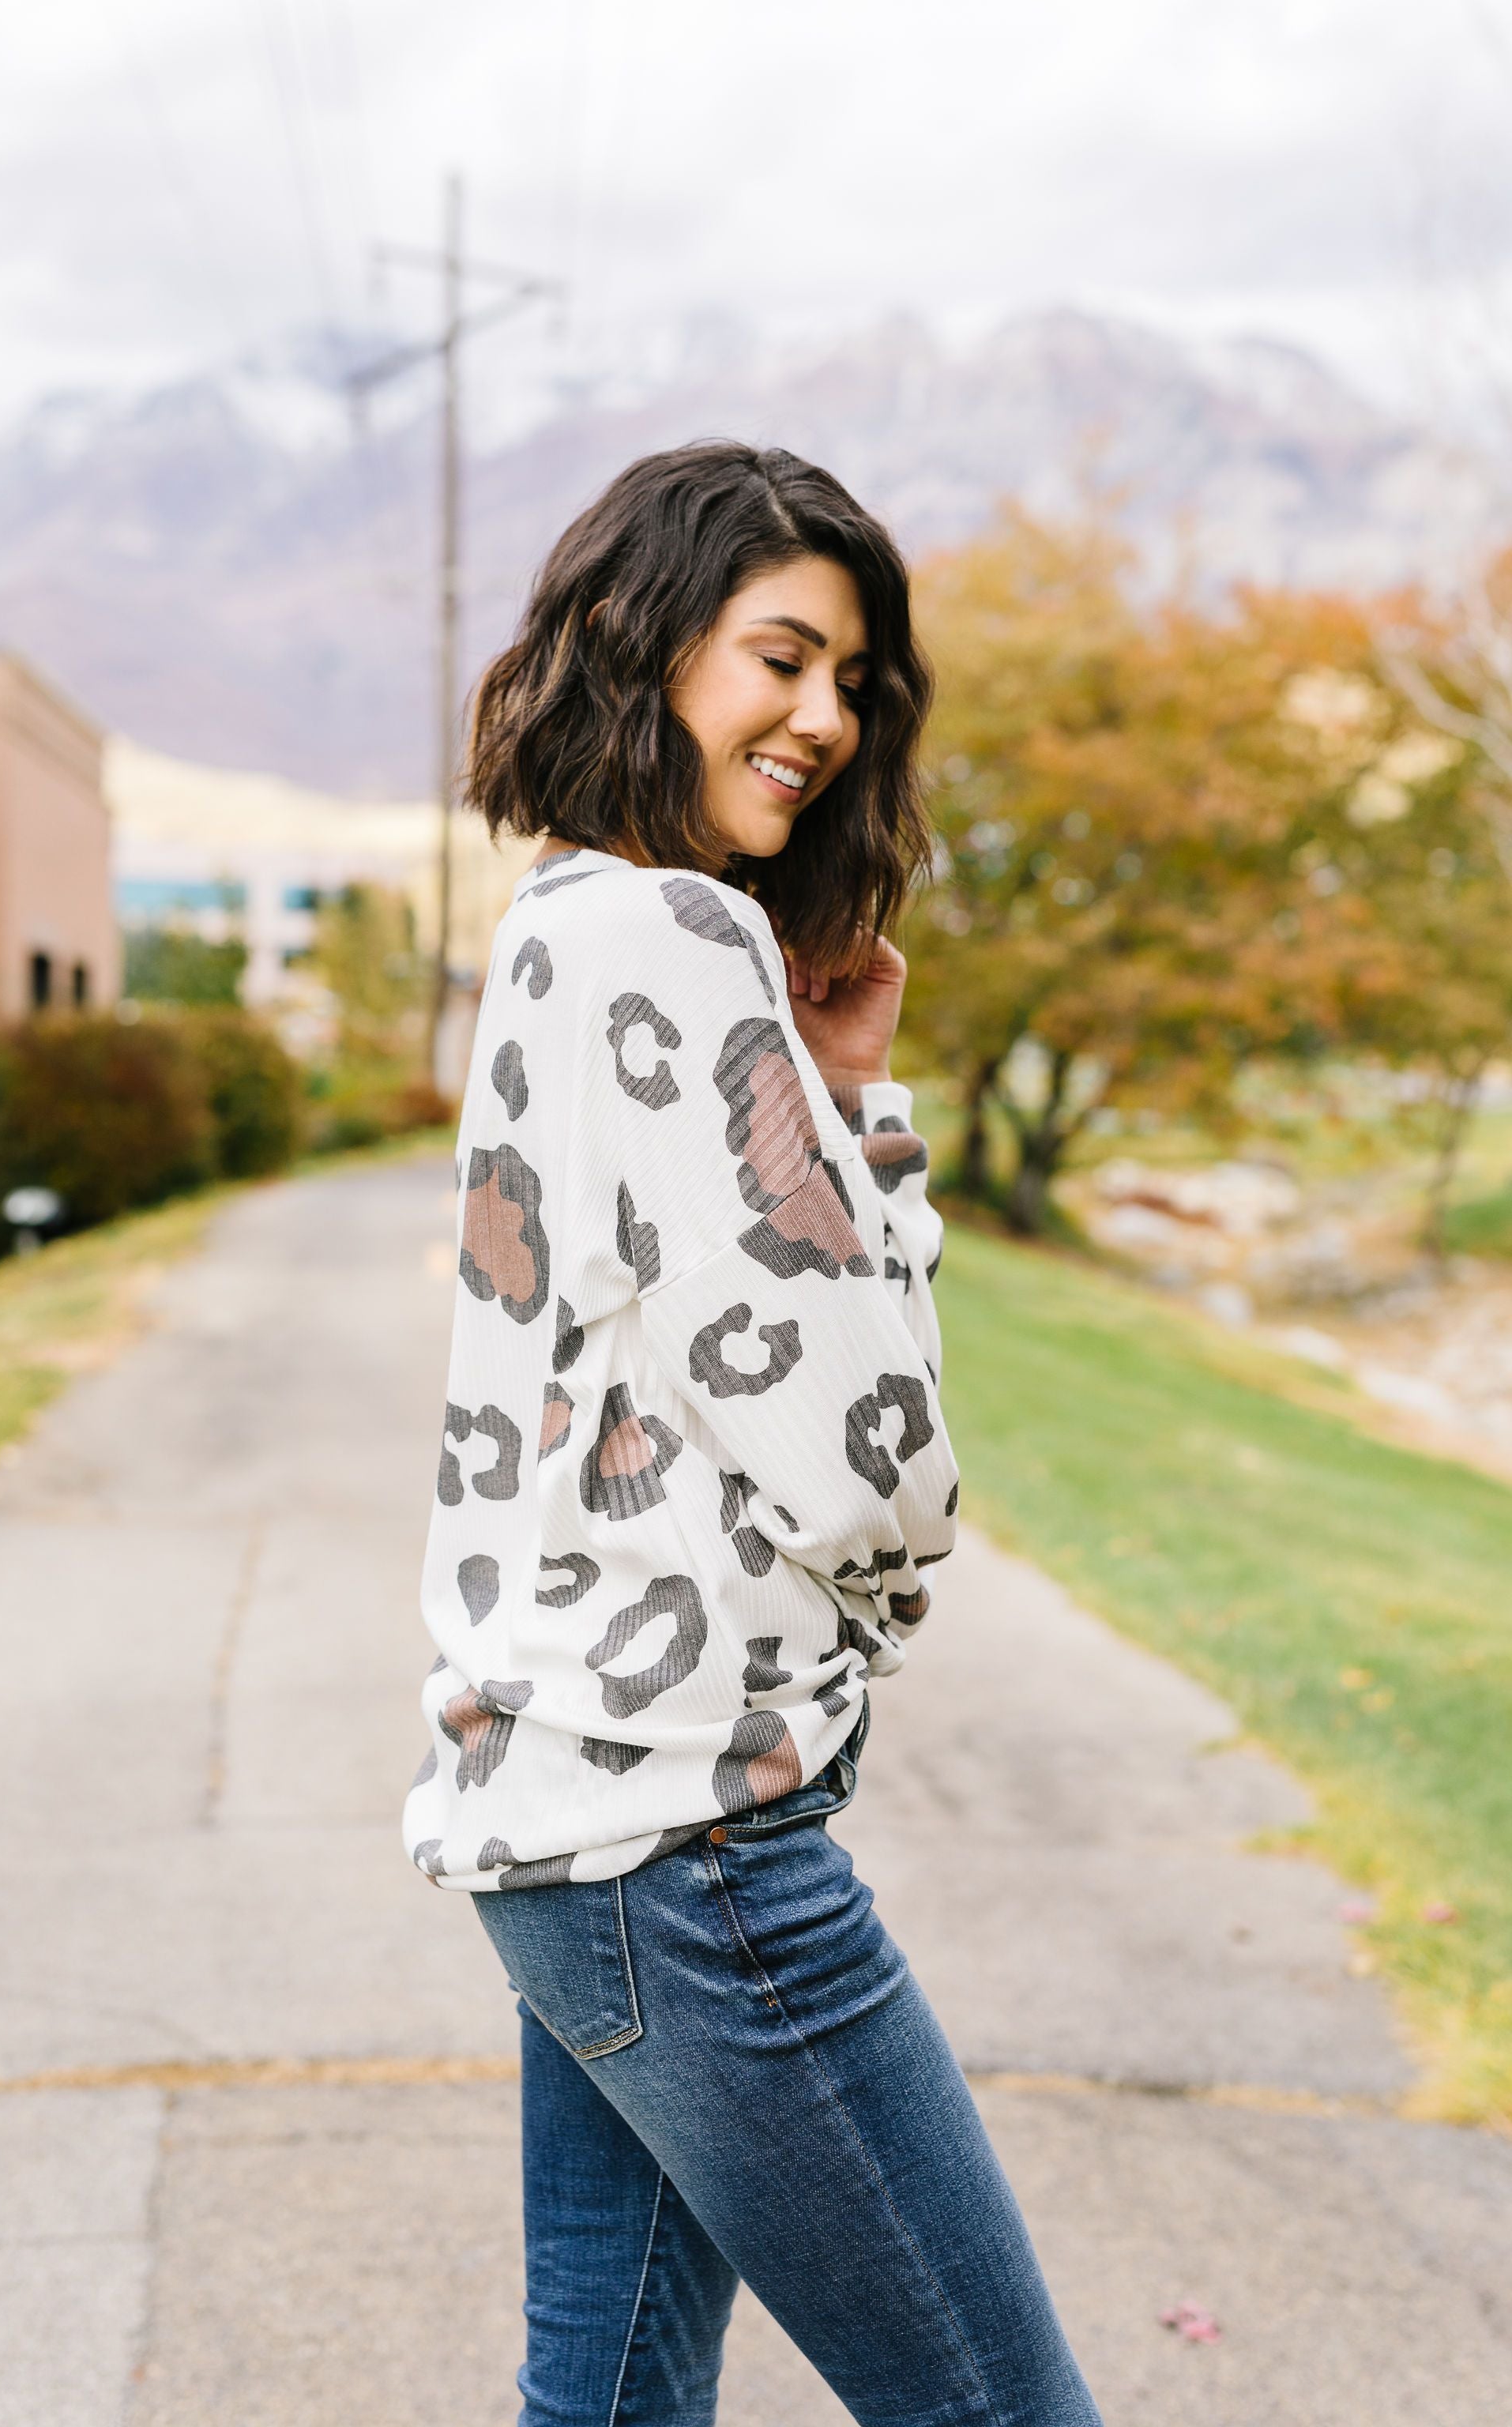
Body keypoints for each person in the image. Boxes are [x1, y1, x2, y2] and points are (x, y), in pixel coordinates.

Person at [403, 442, 1100, 2426]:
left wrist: (840, 1090)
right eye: (778, 655)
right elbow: (868, 1448)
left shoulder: (561, 925)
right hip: (696, 1841)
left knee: (610, 2407)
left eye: (851, 681)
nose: (820, 717)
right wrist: (890, 1588)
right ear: (643, 642)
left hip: (577, 1820)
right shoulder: (676, 946)